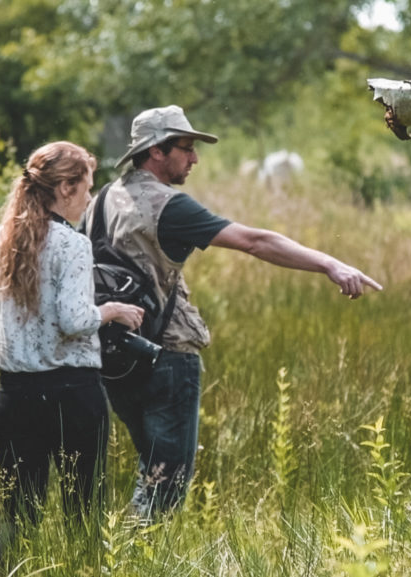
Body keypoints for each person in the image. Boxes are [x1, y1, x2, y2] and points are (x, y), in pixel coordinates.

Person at [83, 105, 384, 521]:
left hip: (114, 357)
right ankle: (133, 559)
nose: (194, 159)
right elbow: (254, 241)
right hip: (168, 356)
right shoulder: (170, 205)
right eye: (186, 148)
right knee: (164, 488)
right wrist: (330, 264)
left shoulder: (99, 202)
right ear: (156, 151)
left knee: (150, 475)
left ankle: (120, 556)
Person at [0, 141, 144, 564]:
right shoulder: (71, 244)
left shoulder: (3, 238)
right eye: (87, 187)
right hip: (70, 395)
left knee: (19, 514)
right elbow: (74, 320)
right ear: (64, 188)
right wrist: (111, 310)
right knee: (85, 514)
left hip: (14, 395)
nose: (90, 197)